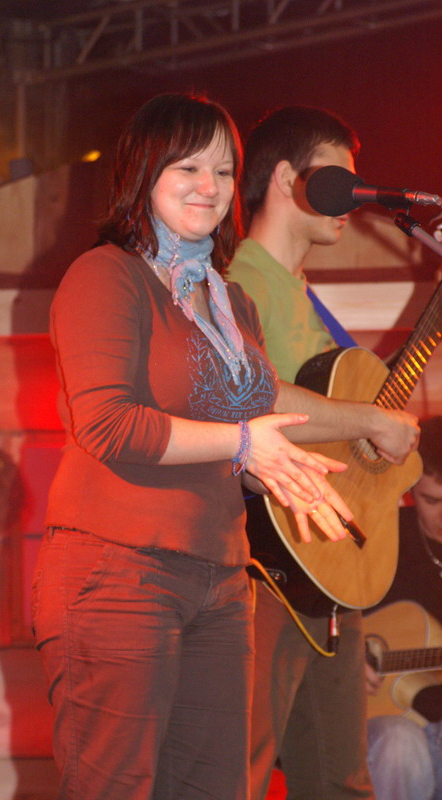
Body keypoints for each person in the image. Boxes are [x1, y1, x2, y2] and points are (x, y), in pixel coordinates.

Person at [31, 92, 362, 800]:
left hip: (221, 576)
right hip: (117, 568)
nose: (209, 187)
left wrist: (286, 473)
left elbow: (241, 439)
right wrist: (245, 444)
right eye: (187, 167)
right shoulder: (105, 275)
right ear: (143, 173)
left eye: (223, 171)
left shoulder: (232, 302)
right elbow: (109, 424)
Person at [228, 105, 420, 799]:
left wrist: (385, 439)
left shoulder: (303, 298)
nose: (354, 195)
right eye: (341, 179)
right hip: (269, 569)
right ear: (287, 179)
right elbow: (252, 400)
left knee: (341, 782)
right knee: (241, 772)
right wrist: (372, 419)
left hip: (331, 569)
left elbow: (344, 428)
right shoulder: (238, 283)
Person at [365, 415, 442, 800]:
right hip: (379, 718)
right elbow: (322, 613)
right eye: (432, 501)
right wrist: (348, 658)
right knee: (397, 742)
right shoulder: (381, 536)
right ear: (411, 490)